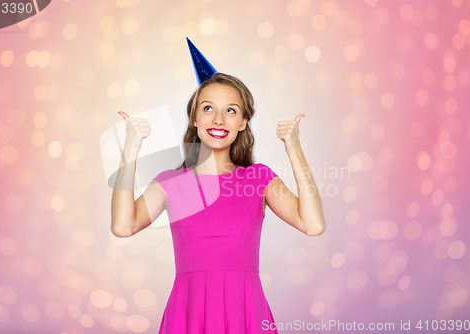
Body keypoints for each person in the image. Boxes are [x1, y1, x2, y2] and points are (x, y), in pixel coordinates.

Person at [111, 71, 326, 333]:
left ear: (243, 122)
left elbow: (313, 224)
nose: (219, 120)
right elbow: (123, 226)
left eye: (231, 111)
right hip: (188, 312)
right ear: (195, 118)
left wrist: (294, 149)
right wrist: (131, 149)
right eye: (208, 108)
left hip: (245, 312)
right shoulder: (170, 183)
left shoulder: (260, 179)